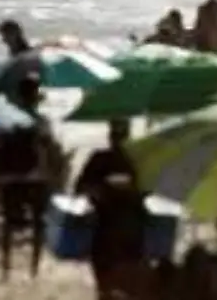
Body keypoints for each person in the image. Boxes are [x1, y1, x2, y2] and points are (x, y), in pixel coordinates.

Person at [74, 119, 146, 300]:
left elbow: (147, 190)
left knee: (119, 285)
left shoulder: (135, 159)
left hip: (124, 231)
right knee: (111, 285)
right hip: (114, 228)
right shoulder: (126, 159)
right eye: (118, 135)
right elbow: (81, 188)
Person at [0, 76, 55, 281]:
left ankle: (6, 266)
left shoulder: (8, 118)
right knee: (39, 223)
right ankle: (33, 268)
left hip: (10, 177)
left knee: (9, 223)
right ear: (36, 97)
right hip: (36, 176)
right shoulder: (41, 121)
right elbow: (49, 147)